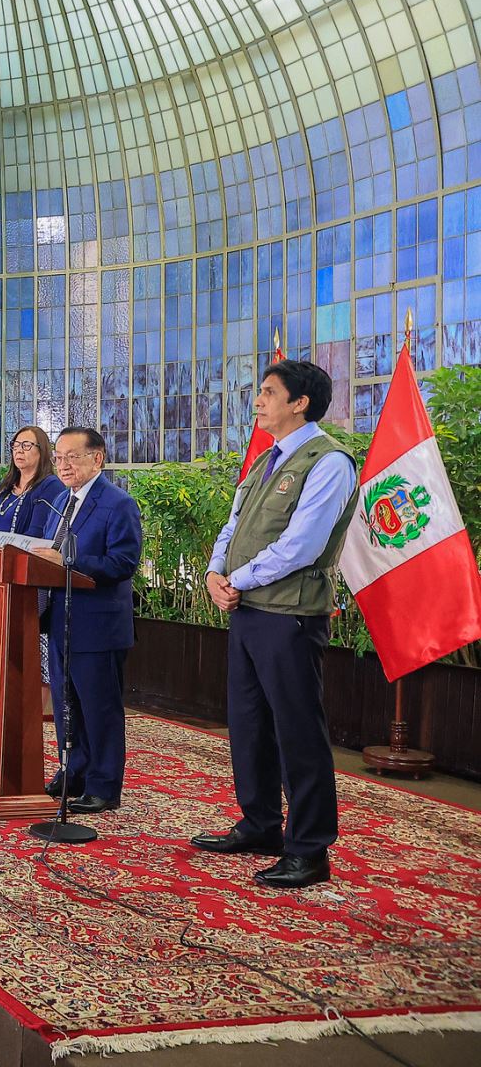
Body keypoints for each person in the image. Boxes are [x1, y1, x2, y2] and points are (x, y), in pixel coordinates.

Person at [193, 360, 359, 889]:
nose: (258, 400)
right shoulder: (268, 458)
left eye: (268, 392)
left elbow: (302, 545)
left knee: (296, 731)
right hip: (247, 610)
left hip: (290, 615)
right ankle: (260, 824)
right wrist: (214, 572)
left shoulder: (328, 462)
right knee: (249, 725)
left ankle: (309, 849)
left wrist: (236, 579)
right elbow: (233, 525)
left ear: (300, 402)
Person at [32, 427, 143, 816]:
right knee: (67, 706)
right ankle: (74, 772)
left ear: (97, 458)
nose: (63, 465)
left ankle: (104, 786)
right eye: (59, 457)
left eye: (72, 457)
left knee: (99, 710)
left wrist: (67, 560)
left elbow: (123, 563)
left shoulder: (118, 503)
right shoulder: (60, 501)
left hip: (98, 626)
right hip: (60, 621)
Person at [0, 427, 68, 680]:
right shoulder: (6, 485)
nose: (19, 450)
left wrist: (5, 551)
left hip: (25, 581)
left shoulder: (50, 487)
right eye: (15, 445)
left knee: (27, 668)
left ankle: (30, 704)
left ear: (42, 451)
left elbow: (38, 533)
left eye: (26, 445)